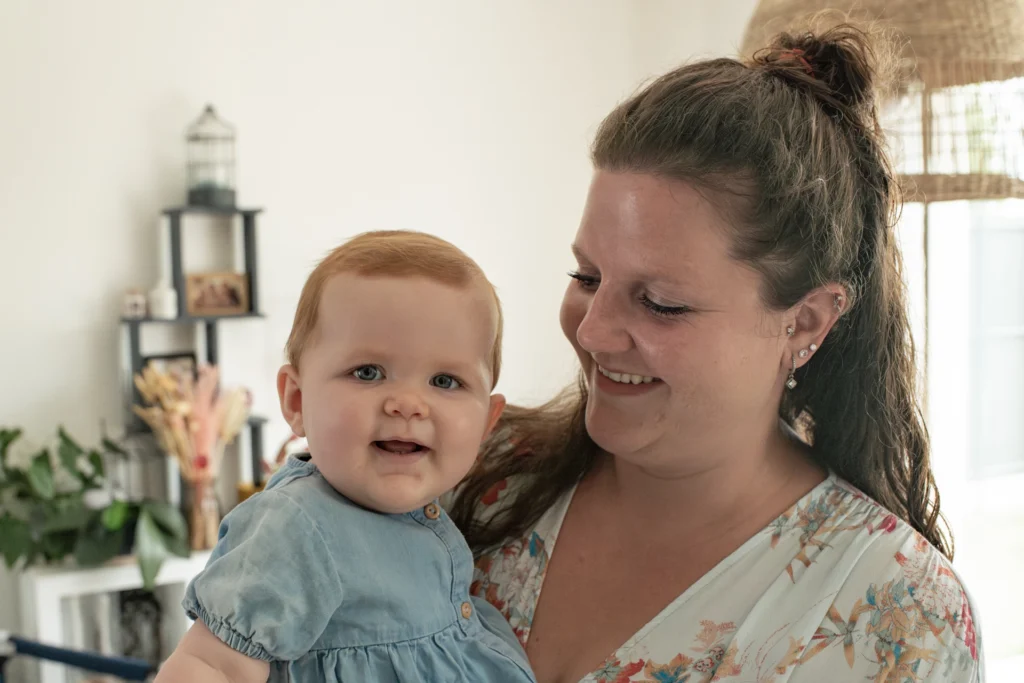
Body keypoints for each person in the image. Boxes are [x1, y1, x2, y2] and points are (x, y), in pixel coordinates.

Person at [449, 24, 983, 683]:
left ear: (805, 321)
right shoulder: (474, 483)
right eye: (586, 278)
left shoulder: (895, 615)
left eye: (660, 302)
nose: (592, 332)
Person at [156, 231, 536, 683]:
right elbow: (211, 665)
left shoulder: (434, 515)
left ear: (487, 422)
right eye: (368, 372)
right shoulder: (295, 526)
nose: (409, 403)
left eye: (445, 381)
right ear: (297, 401)